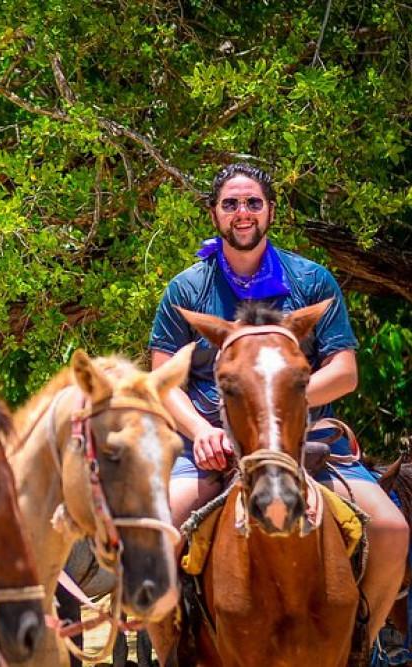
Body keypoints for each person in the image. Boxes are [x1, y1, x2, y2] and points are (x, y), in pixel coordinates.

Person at [149, 162, 407, 644]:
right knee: (157, 536)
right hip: (208, 443)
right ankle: (174, 648)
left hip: (305, 438)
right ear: (214, 214)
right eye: (230, 204)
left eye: (252, 203)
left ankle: (360, 643)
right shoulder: (186, 288)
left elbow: (345, 371)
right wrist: (203, 433)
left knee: (391, 529)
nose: (242, 213)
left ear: (270, 210)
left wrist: (275, 403)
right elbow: (164, 381)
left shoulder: (311, 279)